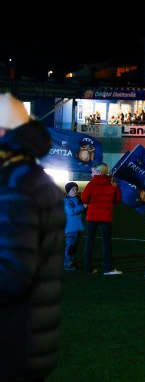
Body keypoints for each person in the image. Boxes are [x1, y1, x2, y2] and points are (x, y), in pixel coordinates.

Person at [0, 93, 65, 380]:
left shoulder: (17, 182)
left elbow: (13, 272)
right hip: (27, 337)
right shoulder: (29, 178)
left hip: (13, 338)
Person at [81, 162, 122, 275]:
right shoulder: (112, 184)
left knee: (89, 242)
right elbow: (118, 199)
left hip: (92, 216)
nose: (91, 173)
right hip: (106, 217)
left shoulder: (92, 184)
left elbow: (84, 198)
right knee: (106, 243)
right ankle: (107, 268)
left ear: (99, 172)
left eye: (93, 171)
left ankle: (88, 268)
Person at [63, 181, 86, 271]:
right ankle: (67, 263)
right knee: (70, 246)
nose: (75, 191)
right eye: (73, 189)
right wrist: (82, 207)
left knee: (74, 246)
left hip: (77, 228)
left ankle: (70, 261)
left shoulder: (77, 199)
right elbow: (70, 212)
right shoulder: (66, 201)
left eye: (76, 189)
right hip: (70, 229)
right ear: (68, 191)